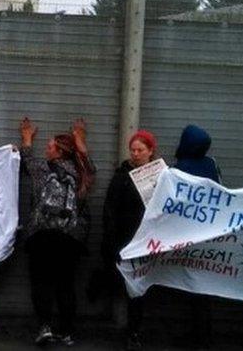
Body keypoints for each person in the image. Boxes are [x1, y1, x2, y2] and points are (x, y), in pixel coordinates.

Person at [19, 117, 94, 347]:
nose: (46, 148)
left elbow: (26, 158)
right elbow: (88, 162)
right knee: (66, 284)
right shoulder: (82, 172)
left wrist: (27, 138)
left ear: (59, 151)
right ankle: (67, 331)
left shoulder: (42, 168)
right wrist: (80, 138)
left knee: (41, 282)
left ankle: (45, 327)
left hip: (43, 235)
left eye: (50, 146)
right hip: (69, 237)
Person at [102, 129, 157, 350]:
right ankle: (131, 331)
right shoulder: (121, 176)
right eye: (132, 150)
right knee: (128, 287)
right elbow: (110, 209)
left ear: (150, 151)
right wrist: (112, 239)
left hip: (148, 242)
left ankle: (134, 331)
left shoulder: (160, 176)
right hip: (125, 241)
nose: (135, 154)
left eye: (140, 150)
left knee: (139, 290)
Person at [171, 124, 221, 348]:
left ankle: (196, 335)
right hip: (209, 234)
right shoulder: (211, 164)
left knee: (190, 287)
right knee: (203, 290)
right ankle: (204, 334)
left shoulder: (180, 168)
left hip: (186, 235)